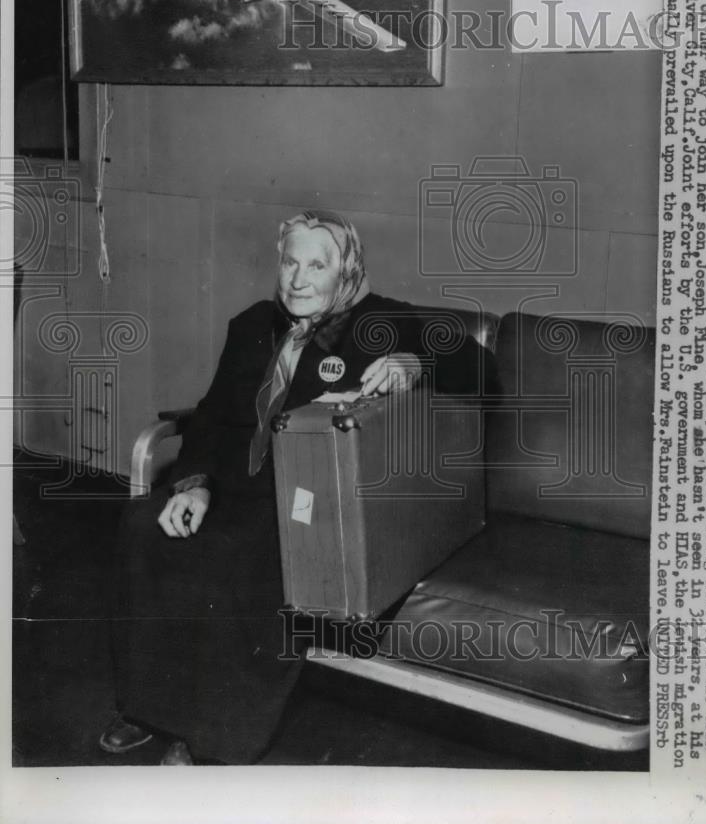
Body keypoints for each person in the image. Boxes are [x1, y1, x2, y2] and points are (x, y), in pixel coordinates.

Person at [99, 210, 496, 765]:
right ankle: (145, 706)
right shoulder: (252, 325)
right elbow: (214, 418)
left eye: (318, 264)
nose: (299, 279)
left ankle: (208, 735)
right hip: (237, 483)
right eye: (290, 261)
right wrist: (194, 485)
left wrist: (415, 361)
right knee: (145, 524)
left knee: (243, 552)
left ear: (347, 271)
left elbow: (483, 371)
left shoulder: (383, 321)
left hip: (313, 497)